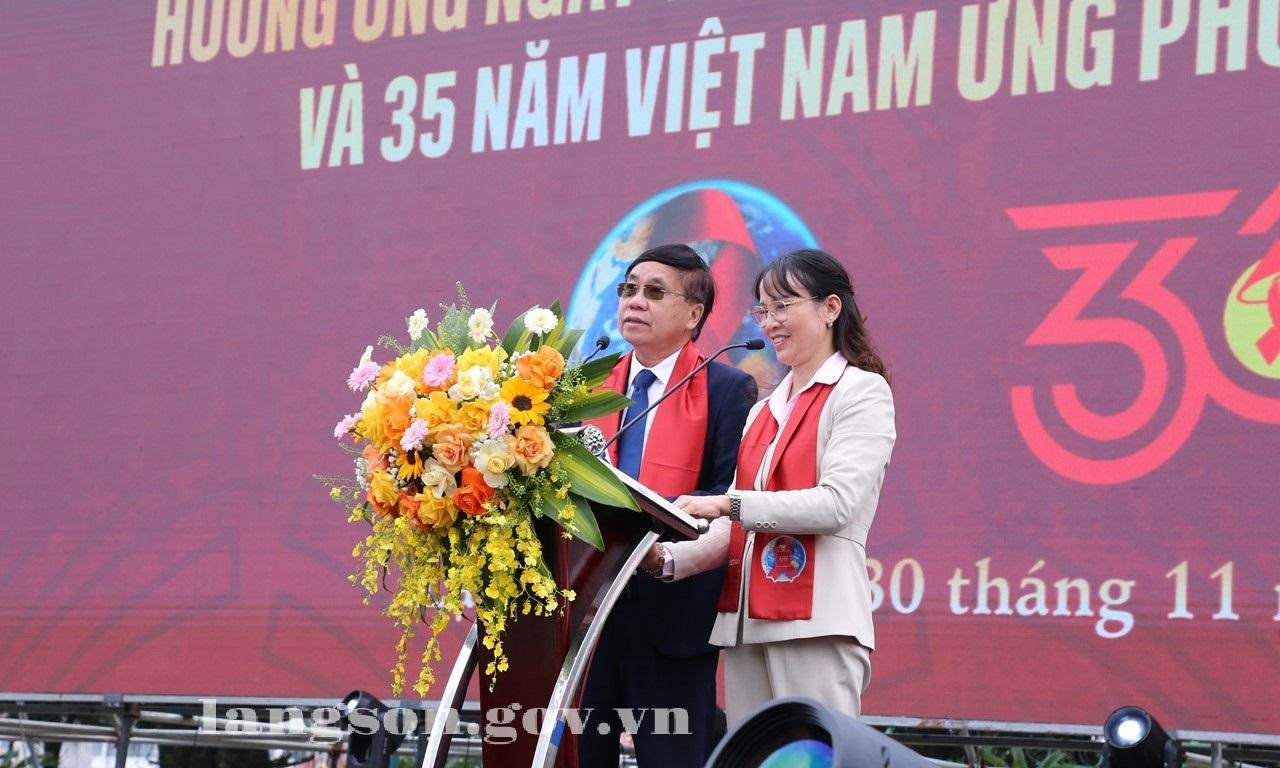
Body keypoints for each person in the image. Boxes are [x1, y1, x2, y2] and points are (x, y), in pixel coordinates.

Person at [643, 248, 896, 724]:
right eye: (763, 309)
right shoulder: (763, 410)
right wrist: (668, 559)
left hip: (816, 622)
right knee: (753, 755)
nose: (770, 322)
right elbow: (739, 524)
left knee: (815, 753)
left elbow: (836, 505)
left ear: (830, 308)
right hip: (747, 625)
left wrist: (726, 503)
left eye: (783, 306)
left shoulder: (861, 391)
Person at [578, 244, 757, 767]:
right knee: (581, 755)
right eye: (628, 289)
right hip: (590, 612)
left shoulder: (727, 388)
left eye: (654, 292)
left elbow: (728, 494)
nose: (635, 301)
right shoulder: (589, 385)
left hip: (672, 615)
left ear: (694, 314)